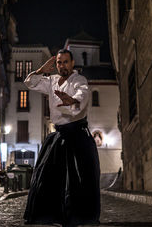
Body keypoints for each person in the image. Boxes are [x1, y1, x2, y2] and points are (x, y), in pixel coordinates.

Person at [23, 49, 100, 226]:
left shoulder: (79, 80)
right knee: (47, 176)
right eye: (59, 62)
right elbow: (31, 83)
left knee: (79, 178)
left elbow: (84, 94)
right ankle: (52, 216)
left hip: (77, 135)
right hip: (59, 135)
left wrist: (71, 101)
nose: (62, 66)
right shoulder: (51, 81)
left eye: (65, 62)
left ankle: (80, 216)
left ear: (72, 63)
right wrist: (41, 70)